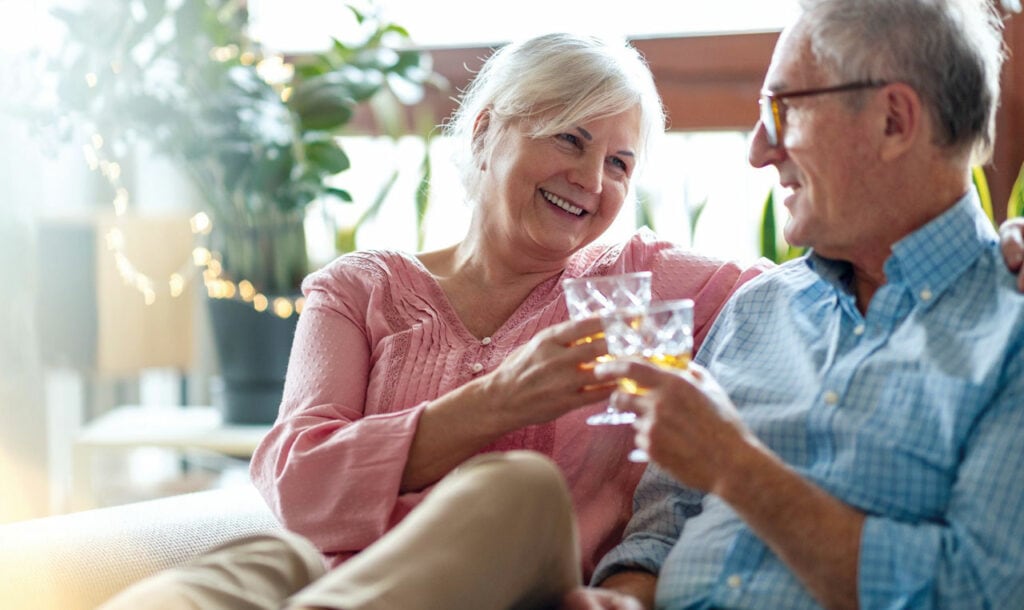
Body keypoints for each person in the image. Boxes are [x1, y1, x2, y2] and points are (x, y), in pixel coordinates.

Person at [98, 21, 1024, 610]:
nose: (592, 180)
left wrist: (1004, 241)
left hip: (517, 587)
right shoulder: (362, 289)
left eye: (620, 164)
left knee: (519, 492)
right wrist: (496, 405)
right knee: (244, 575)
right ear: (487, 127)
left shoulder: (661, 285)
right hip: (352, 575)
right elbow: (294, 487)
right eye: (571, 139)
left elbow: (896, 249)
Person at [576, 0, 1024, 608]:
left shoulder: (1009, 330)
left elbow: (976, 591)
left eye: (780, 110)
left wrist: (739, 470)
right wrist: (623, 597)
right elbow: (661, 528)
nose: (758, 150)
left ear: (894, 119)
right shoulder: (758, 305)